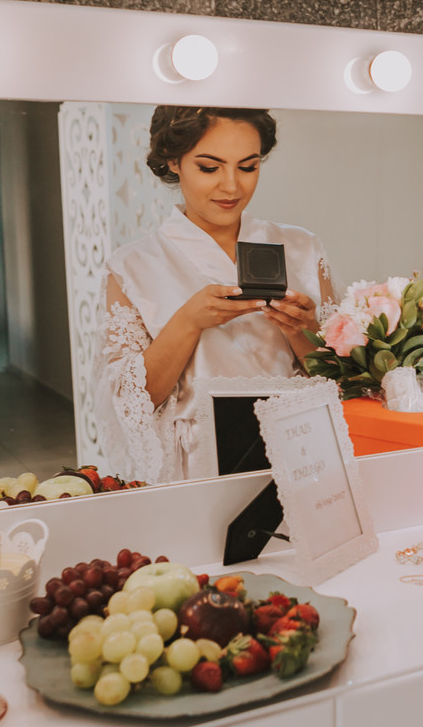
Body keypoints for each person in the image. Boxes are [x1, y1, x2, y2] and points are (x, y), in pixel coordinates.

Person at [94, 106, 335, 484]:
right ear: (173, 160)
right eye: (210, 168)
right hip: (197, 463)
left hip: (299, 452)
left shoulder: (302, 248)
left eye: (248, 167)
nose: (232, 187)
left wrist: (302, 331)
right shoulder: (132, 266)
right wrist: (187, 322)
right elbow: (133, 404)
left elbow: (340, 382)